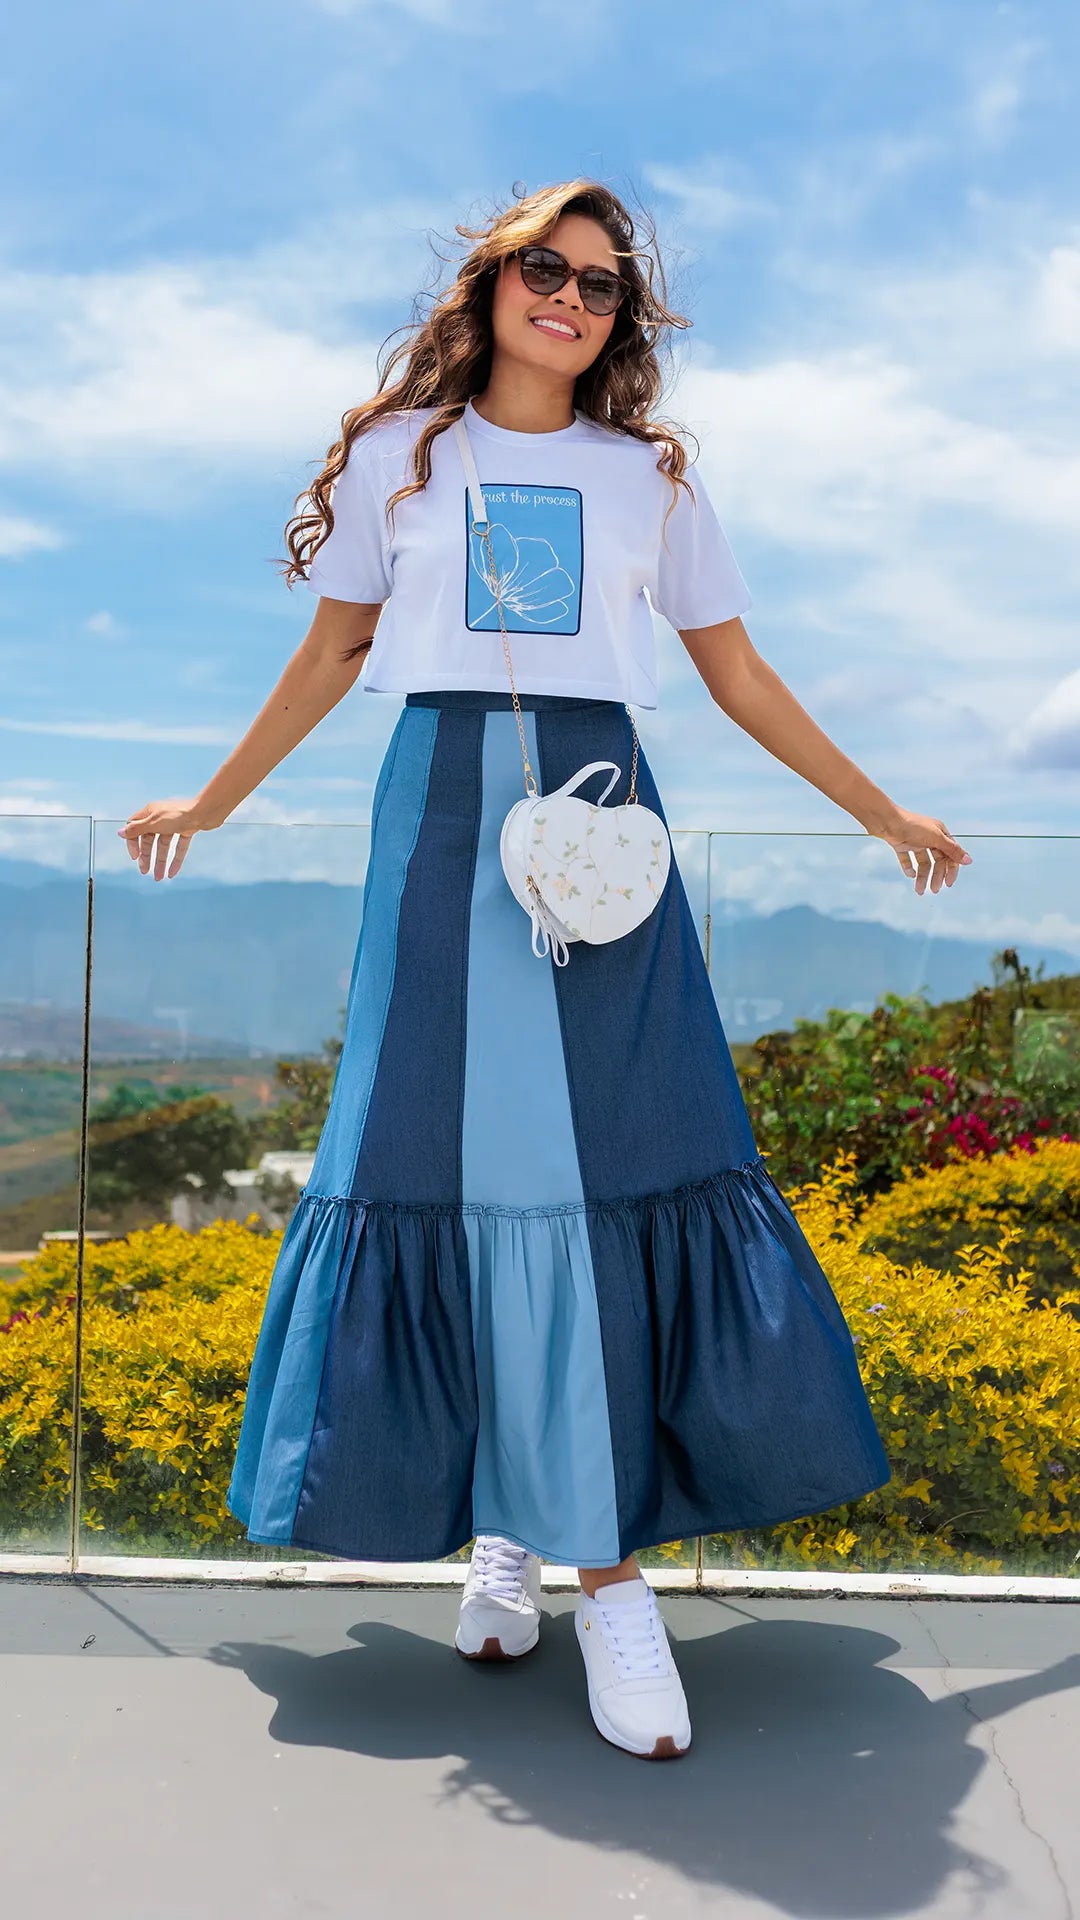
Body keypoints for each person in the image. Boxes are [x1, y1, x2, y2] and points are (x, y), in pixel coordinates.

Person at [117, 177, 973, 1762]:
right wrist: (213, 803)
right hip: (442, 818)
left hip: (600, 824)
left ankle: (607, 1575)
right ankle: (514, 1530)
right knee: (444, 1162)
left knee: (611, 1166)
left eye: (601, 285)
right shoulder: (399, 456)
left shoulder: (651, 478)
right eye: (546, 270)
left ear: (620, 319)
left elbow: (734, 671)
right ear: (492, 282)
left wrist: (882, 812)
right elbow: (334, 653)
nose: (572, 299)